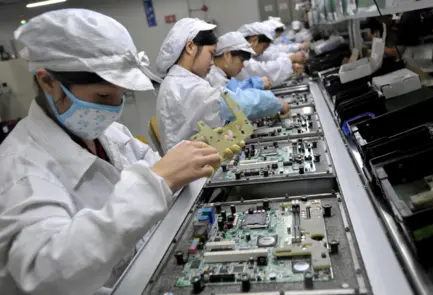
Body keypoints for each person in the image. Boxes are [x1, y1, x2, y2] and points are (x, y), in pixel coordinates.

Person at [0, 9, 221, 295]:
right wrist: (154, 183)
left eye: (120, 96)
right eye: (103, 97)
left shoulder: (107, 134)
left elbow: (156, 168)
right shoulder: (18, 168)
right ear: (48, 82)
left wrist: (182, 168)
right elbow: (50, 273)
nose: (113, 110)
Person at [156, 18, 289, 152]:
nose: (212, 62)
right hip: (197, 169)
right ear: (190, 47)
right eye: (211, 53)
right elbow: (233, 103)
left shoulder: (182, 81)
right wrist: (274, 102)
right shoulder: (185, 87)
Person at [235, 22, 305, 87]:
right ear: (254, 40)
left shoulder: (249, 52)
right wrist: (290, 60)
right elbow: (263, 71)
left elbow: (268, 56)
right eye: (264, 47)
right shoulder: (239, 56)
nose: (262, 52)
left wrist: (290, 61)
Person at [206, 31, 272, 90]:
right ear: (227, 55)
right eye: (242, 60)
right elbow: (232, 95)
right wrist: (254, 84)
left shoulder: (223, 75)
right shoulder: (213, 77)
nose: (243, 66)